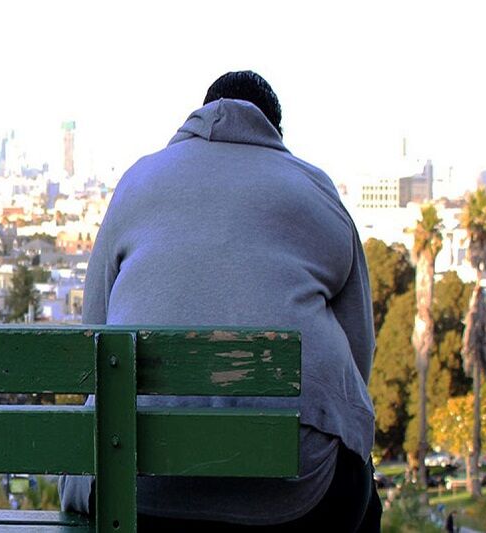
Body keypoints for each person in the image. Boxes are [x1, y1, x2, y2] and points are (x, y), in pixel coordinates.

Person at [59, 71, 381, 531]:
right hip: (299, 488)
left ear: (199, 114)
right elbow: (358, 351)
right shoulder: (315, 188)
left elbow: (96, 333)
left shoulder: (137, 180)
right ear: (273, 130)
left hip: (137, 487)